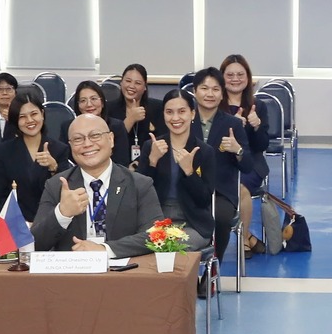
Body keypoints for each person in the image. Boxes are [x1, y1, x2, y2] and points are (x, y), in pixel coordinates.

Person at [31, 112, 164, 257]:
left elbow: (156, 235)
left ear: (111, 139)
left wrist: (104, 249)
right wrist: (62, 214)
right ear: (70, 146)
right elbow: (34, 244)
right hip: (73, 270)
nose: (87, 144)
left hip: (124, 269)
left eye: (95, 135)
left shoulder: (140, 184)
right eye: (78, 139)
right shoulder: (57, 185)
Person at [188, 67, 254, 262]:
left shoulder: (233, 124)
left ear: (222, 93)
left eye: (215, 89)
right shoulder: (183, 120)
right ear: (194, 91)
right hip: (187, 188)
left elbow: (248, 166)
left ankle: (214, 266)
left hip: (221, 192)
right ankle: (185, 269)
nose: (210, 94)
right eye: (204, 88)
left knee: (222, 218)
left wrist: (237, 150)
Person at [138, 88, 215, 249]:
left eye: (181, 111)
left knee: (171, 245)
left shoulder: (204, 151)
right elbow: (139, 194)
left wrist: (190, 173)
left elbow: (204, 200)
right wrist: (152, 162)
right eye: (169, 112)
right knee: (148, 242)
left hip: (192, 223)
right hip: (156, 219)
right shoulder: (151, 146)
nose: (175, 118)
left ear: (192, 114)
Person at [0, 91, 71, 220]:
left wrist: (54, 168)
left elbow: (65, 193)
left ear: (42, 114)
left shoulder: (59, 149)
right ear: (15, 120)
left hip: (51, 220)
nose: (30, 120)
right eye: (22, 117)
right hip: (16, 222)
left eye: (34, 114)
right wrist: (20, 223)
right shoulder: (5, 151)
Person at [218, 54, 272, 194]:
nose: (235, 79)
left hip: (251, 163)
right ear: (221, 77)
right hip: (220, 161)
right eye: (230, 75)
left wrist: (257, 126)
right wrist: (232, 125)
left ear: (247, 77)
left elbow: (262, 146)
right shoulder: (214, 105)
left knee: (239, 188)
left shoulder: (258, 106)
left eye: (240, 75)